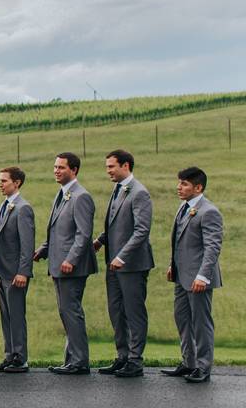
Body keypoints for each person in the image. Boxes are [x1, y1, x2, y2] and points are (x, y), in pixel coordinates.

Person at [33, 152, 97, 375]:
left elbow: (83, 234)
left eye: (61, 167)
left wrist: (71, 259)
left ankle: (80, 362)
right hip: (58, 264)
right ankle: (71, 360)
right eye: (55, 167)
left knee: (71, 311)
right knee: (65, 312)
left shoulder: (81, 197)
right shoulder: (62, 194)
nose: (56, 171)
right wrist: (43, 249)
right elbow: (57, 231)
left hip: (72, 266)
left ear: (74, 170)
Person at [92, 149, 154, 378]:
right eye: (107, 166)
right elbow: (115, 223)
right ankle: (123, 357)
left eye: (111, 166)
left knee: (134, 312)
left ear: (126, 166)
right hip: (114, 264)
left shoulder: (139, 193)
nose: (108, 170)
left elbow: (141, 231)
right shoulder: (119, 190)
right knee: (116, 311)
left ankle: (135, 361)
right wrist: (100, 241)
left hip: (132, 265)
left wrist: (122, 256)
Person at [163, 166, 223, 384]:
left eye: (184, 184)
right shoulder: (183, 207)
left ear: (198, 187)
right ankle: (189, 362)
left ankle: (203, 368)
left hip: (199, 279)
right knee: (182, 320)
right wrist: (173, 265)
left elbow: (212, 248)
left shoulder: (209, 211)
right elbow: (179, 242)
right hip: (181, 276)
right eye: (179, 183)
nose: (179, 187)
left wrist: (203, 277)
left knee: (201, 323)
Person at [0, 166, 34, 373]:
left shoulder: (23, 208)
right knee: (6, 316)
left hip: (16, 273)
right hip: (3, 271)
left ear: (16, 183)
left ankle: (20, 358)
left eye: (4, 181)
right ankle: (9, 355)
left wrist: (23, 272)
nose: (0, 184)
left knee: (16, 316)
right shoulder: (4, 205)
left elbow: (27, 244)